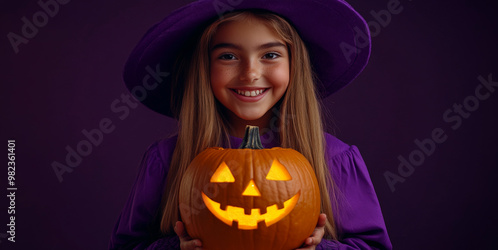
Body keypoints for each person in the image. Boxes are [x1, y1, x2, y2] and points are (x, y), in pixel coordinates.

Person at [110, 0, 392, 249]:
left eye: (270, 55)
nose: (250, 73)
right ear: (204, 67)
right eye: (228, 56)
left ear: (295, 65)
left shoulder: (335, 158)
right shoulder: (166, 159)